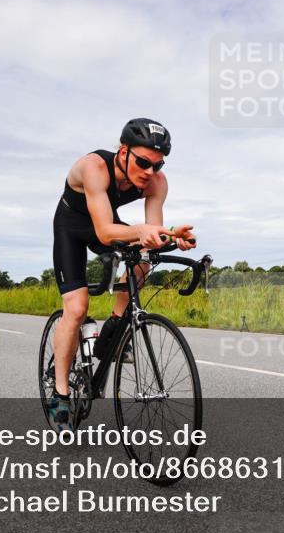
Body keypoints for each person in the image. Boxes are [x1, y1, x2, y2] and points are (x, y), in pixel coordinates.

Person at [48, 118, 196, 426]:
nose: (149, 172)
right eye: (143, 162)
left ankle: (115, 326)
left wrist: (171, 236)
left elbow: (152, 234)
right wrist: (145, 231)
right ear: (123, 151)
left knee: (144, 258)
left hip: (108, 225)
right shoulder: (94, 167)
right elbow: (103, 233)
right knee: (76, 309)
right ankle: (60, 389)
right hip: (72, 229)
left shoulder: (156, 182)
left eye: (157, 165)